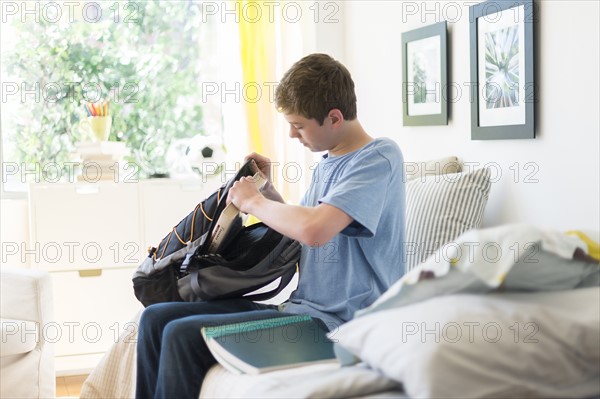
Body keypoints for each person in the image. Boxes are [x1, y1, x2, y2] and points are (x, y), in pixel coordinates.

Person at [135, 53, 406, 399]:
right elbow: (303, 227)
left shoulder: (378, 158)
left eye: (299, 125)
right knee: (155, 319)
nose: (292, 134)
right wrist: (267, 190)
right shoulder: (328, 164)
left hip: (341, 325)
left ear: (335, 118)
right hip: (301, 309)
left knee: (179, 335)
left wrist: (253, 202)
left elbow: (316, 230)